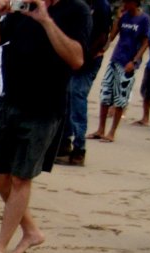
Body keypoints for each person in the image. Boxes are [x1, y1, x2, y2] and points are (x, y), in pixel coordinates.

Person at [0, 0, 91, 253]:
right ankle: (31, 231)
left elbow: (76, 58)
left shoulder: (75, 10)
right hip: (10, 101)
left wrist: (45, 20)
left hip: (45, 107)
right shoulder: (22, 9)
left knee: (21, 177)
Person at [54, 0, 112, 165]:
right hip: (74, 57)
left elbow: (102, 36)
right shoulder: (77, 4)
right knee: (66, 99)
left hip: (89, 60)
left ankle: (79, 147)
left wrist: (84, 58)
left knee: (77, 98)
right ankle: (64, 143)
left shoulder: (100, 6)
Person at [87, 0, 150, 143]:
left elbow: (146, 41)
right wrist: (103, 49)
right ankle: (101, 129)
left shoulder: (143, 19)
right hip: (116, 58)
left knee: (120, 98)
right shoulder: (124, 16)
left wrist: (134, 60)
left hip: (128, 62)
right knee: (105, 94)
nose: (124, 4)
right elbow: (113, 34)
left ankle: (112, 132)